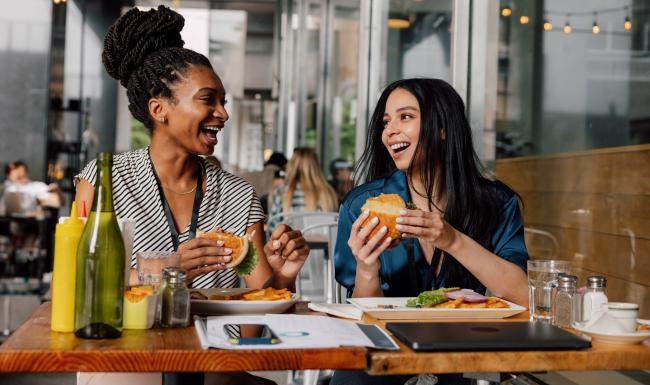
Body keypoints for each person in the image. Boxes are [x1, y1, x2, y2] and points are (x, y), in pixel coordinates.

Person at [75, 7, 308, 384]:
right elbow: (81, 290)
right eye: (208, 100)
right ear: (159, 109)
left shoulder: (238, 195)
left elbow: (256, 323)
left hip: (214, 363)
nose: (223, 114)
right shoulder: (104, 183)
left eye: (223, 101)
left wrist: (284, 278)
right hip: (128, 358)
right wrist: (162, 270)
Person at [332, 78, 528, 385]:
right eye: (386, 122)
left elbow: (523, 296)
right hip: (380, 361)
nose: (389, 131)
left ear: (442, 128)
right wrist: (367, 269)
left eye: (405, 117)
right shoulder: (362, 206)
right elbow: (364, 322)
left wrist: (451, 239)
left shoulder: (497, 203)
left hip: (457, 361)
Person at [268, 147, 338, 230]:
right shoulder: (328, 194)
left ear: (292, 166)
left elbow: (272, 228)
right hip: (322, 242)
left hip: (290, 241)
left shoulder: (282, 192)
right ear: (316, 167)